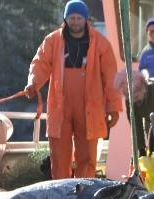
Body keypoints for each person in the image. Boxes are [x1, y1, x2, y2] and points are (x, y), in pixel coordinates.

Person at [24, 0, 122, 179]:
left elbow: (111, 78)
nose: (75, 21)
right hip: (60, 107)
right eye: (72, 17)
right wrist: (33, 83)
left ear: (85, 20)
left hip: (89, 108)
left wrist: (113, 107)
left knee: (87, 158)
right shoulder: (52, 41)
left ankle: (83, 194)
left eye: (78, 18)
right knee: (59, 158)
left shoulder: (101, 43)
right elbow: (40, 63)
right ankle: (61, 195)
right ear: (65, 19)